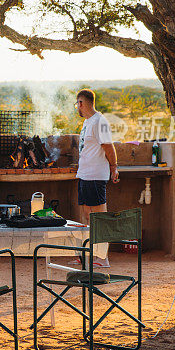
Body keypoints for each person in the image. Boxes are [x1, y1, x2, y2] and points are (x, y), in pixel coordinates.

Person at [74, 88, 119, 268]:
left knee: (99, 218)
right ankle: (90, 255)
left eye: (77, 104)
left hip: (95, 176)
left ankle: (103, 258)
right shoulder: (87, 122)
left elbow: (109, 147)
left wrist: (114, 168)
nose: (77, 107)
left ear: (82, 103)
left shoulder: (100, 121)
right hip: (84, 175)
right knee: (87, 217)